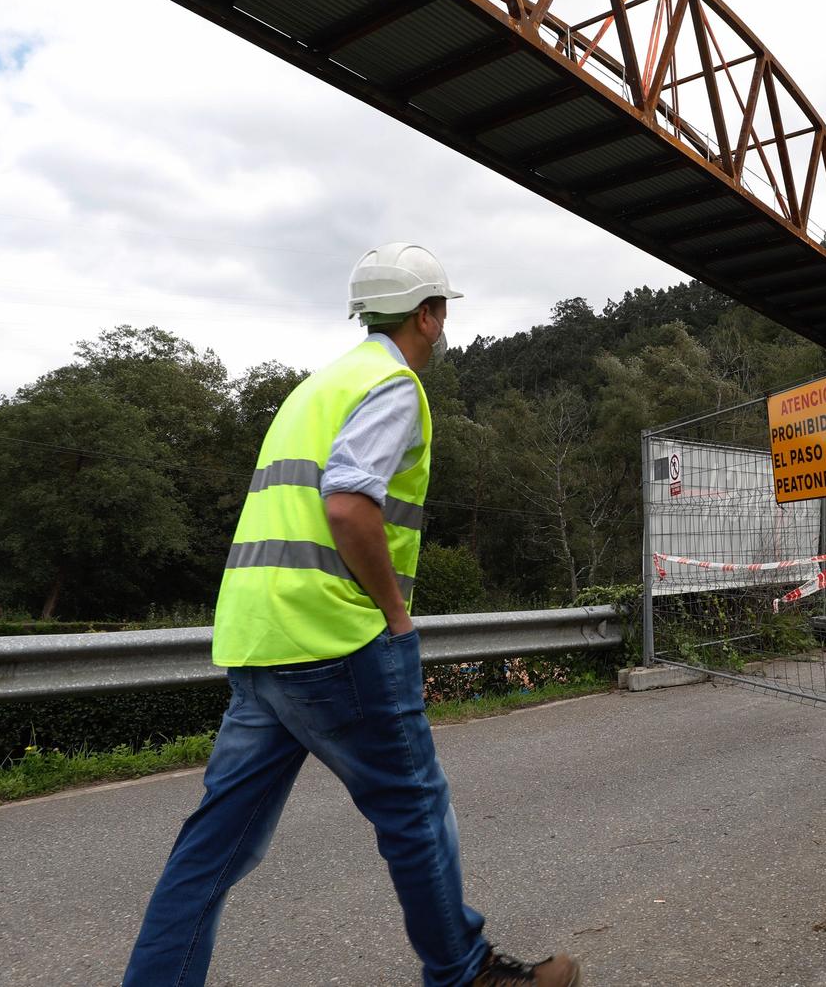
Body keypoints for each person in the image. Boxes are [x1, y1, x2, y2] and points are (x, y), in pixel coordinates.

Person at [124, 244, 581, 987]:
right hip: (336, 637)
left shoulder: (316, 387)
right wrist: (396, 615)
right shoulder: (393, 385)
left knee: (212, 848)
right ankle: (466, 975)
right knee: (416, 810)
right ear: (428, 315)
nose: (444, 325)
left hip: (257, 639)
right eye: (443, 312)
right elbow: (347, 502)